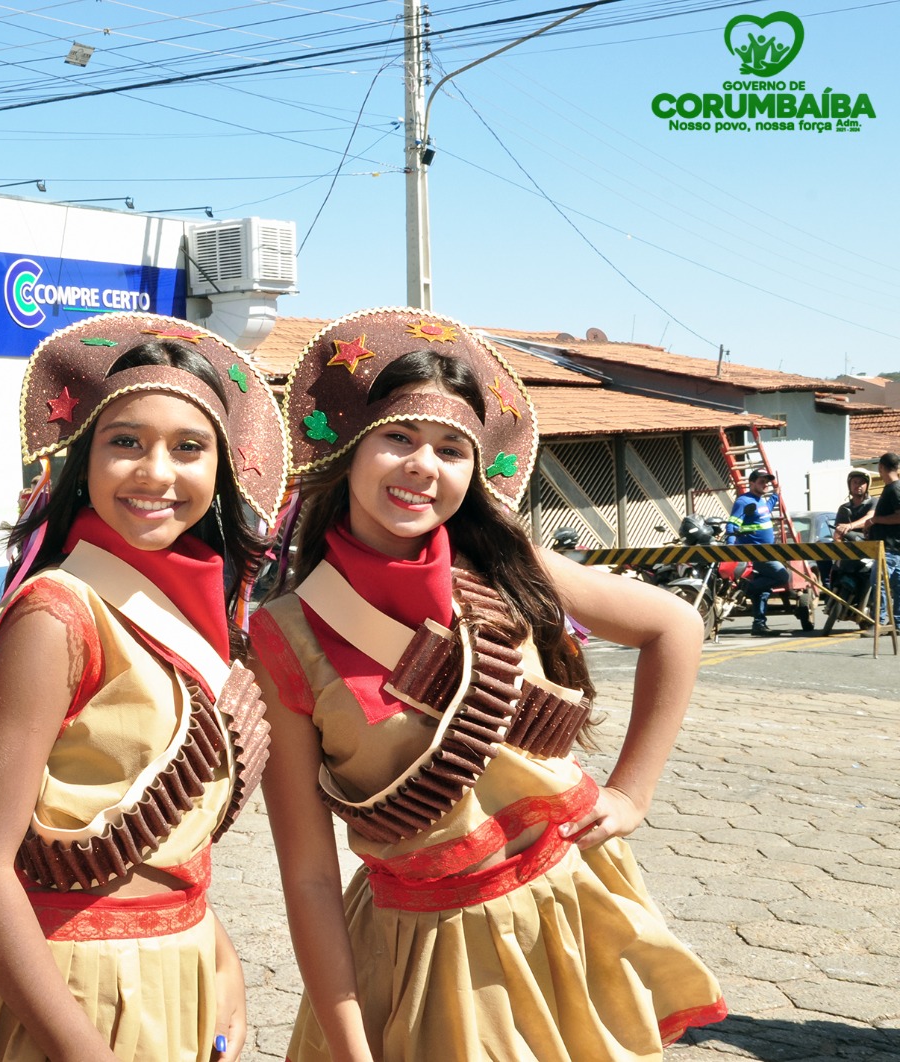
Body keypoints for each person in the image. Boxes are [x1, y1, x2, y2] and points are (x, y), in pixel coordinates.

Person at [249, 309, 725, 1062]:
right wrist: (348, 1046)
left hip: (567, 911)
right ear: (349, 449)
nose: (423, 467)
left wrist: (633, 791)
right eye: (398, 437)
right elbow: (308, 876)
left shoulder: (508, 566)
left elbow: (675, 629)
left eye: (450, 448)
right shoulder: (287, 632)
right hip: (426, 946)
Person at [0, 313, 288, 1062]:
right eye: (125, 443)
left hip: (178, 972)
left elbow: (172, 844)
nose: (156, 472)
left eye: (188, 448)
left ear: (220, 470)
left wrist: (218, 950)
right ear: (83, 461)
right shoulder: (58, 616)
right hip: (69, 992)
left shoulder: (193, 612)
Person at [726, 468, 790, 636]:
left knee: (763, 590)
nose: (765, 484)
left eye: (766, 482)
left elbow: (766, 509)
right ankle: (747, 588)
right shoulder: (744, 501)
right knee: (782, 575)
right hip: (755, 553)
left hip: (765, 552)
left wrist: (776, 495)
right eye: (761, 481)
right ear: (752, 483)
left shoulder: (760, 501)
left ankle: (758, 624)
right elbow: (732, 524)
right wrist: (730, 548)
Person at [843, 452, 900, 625]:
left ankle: (879, 621)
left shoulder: (894, 489)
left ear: (881, 467)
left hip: (889, 549)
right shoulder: (891, 488)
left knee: (878, 584)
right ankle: (897, 623)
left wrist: (875, 520)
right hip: (893, 548)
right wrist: (872, 526)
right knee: (896, 587)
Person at [827, 470, 876, 625]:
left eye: (861, 482)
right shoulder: (844, 508)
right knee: (833, 568)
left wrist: (850, 526)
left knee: (875, 579)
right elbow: (838, 532)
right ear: (849, 485)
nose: (858, 486)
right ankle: (829, 595)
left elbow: (870, 518)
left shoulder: (873, 502)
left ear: (867, 485)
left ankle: (873, 610)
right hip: (849, 553)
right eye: (855, 482)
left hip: (869, 550)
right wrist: (838, 548)